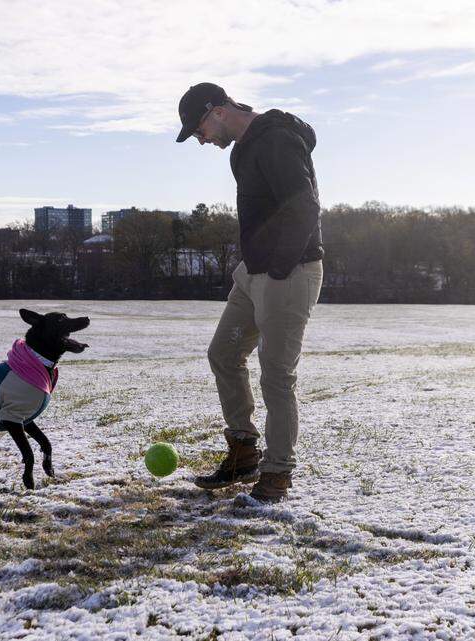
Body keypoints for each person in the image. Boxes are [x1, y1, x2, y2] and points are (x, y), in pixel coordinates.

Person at [175, 82, 324, 503]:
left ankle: (276, 474)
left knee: (277, 376)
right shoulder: (242, 150)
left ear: (217, 111)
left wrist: (277, 266)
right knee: (223, 353)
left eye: (198, 129)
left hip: (289, 272)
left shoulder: (277, 139)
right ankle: (243, 452)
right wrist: (251, 265)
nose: (201, 139)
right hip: (255, 272)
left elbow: (305, 206)